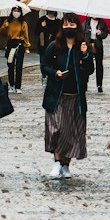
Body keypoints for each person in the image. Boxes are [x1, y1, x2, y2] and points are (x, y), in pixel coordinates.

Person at [41, 13, 94, 178]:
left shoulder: (82, 46)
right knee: (56, 129)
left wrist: (85, 55)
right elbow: (44, 66)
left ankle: (65, 164)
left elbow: (89, 70)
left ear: (77, 26)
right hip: (57, 96)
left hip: (75, 97)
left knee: (70, 132)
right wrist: (55, 73)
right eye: (65, 25)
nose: (68, 28)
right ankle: (57, 163)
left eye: (72, 25)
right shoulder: (54, 46)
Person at [0, 6, 31, 92]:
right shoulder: (8, 22)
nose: (16, 12)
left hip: (19, 44)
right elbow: (0, 32)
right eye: (14, 10)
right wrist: (5, 26)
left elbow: (26, 35)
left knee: (19, 66)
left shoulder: (23, 23)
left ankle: (18, 86)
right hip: (10, 43)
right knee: (10, 65)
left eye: (18, 11)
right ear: (12, 11)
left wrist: (27, 47)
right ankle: (11, 85)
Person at [86, 18, 109, 93]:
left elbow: (105, 34)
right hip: (88, 45)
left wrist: (101, 32)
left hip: (98, 45)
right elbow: (82, 32)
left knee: (99, 64)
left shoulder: (102, 22)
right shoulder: (86, 22)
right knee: (87, 63)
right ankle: (85, 82)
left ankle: (99, 85)